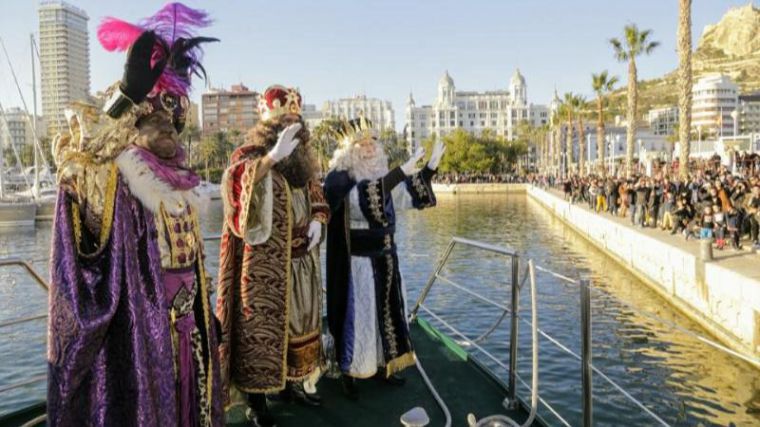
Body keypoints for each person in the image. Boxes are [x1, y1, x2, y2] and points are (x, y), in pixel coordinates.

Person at [47, 3, 222, 426]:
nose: (166, 128)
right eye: (154, 120)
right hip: (140, 333)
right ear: (131, 128)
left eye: (172, 121)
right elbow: (77, 164)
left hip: (189, 327)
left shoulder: (181, 185)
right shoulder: (116, 178)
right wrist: (123, 100)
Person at [214, 85, 329, 427]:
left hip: (299, 261)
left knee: (299, 325)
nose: (292, 128)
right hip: (262, 266)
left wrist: (320, 221)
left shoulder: (302, 162)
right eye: (285, 122)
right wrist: (270, 159)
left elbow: (317, 196)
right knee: (259, 331)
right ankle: (257, 400)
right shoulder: (249, 155)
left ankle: (291, 386)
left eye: (296, 121)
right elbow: (232, 186)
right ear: (269, 125)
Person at [323, 118, 445, 400]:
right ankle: (350, 371)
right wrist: (399, 172)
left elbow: (402, 197)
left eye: (372, 142)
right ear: (348, 149)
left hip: (387, 259)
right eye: (361, 144)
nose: (368, 148)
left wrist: (429, 169)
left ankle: (381, 366)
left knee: (385, 316)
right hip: (358, 264)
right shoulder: (340, 177)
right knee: (361, 318)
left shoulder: (380, 174)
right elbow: (358, 202)